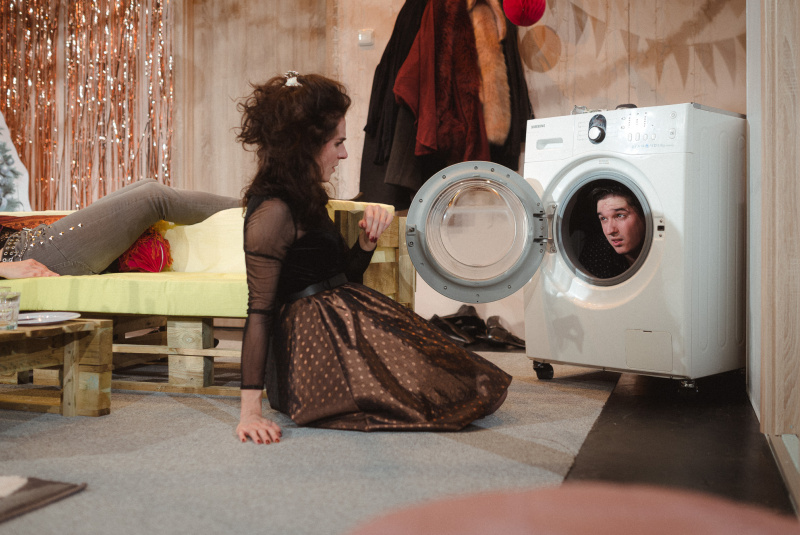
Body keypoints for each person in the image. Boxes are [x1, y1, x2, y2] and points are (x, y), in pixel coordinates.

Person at [236, 72, 511, 444]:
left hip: (344, 321)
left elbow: (341, 279)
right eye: (338, 143)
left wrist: (366, 242)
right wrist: (250, 413)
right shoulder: (272, 212)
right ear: (305, 145)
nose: (344, 154)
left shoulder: (305, 194)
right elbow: (259, 311)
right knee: (430, 396)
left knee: (460, 376)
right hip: (315, 346)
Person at [0, 178, 240, 279]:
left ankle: (254, 205)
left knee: (148, 184)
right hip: (26, 255)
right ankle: (255, 206)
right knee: (154, 197)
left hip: (30, 243)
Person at [579, 181, 646, 279]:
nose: (610, 230)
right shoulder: (597, 252)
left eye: (620, 215)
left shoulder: (667, 253)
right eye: (603, 218)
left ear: (644, 216)